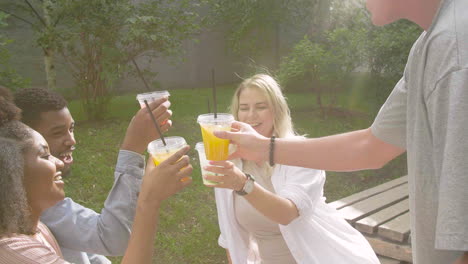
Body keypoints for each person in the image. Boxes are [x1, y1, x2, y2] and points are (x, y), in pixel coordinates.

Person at [214, 1, 468, 263]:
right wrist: (262, 148)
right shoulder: (428, 47)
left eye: (260, 107)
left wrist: (244, 179)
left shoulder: (457, 50)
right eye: (244, 107)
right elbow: (371, 147)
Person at [0, 89, 193, 263]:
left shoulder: (36, 226)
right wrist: (148, 197)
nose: (72, 140)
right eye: (44, 154)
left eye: (71, 129)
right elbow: (113, 237)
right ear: (11, 166)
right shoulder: (19, 249)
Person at [203, 74, 379, 264]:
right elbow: (231, 237)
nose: (251, 115)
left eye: (261, 107)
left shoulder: (299, 153)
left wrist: (242, 183)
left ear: (277, 111)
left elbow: (286, 214)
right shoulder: (230, 163)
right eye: (244, 108)